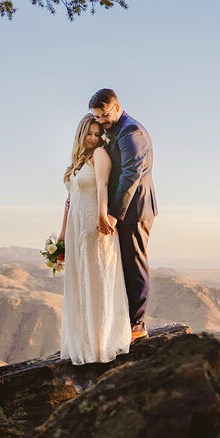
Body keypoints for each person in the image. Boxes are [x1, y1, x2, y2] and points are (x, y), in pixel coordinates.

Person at [56, 115, 130, 364]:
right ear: (81, 133)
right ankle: (83, 343)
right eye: (89, 133)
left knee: (96, 282)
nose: (94, 138)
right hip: (77, 229)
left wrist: (102, 216)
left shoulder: (100, 155)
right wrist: (62, 236)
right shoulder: (76, 164)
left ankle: (99, 347)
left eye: (98, 134)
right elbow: (69, 202)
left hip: (94, 226)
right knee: (79, 282)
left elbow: (103, 185)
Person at [89, 88, 157, 341]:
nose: (101, 120)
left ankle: (137, 326)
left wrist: (114, 214)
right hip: (120, 209)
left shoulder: (132, 132)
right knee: (122, 265)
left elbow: (130, 176)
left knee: (134, 264)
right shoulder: (110, 130)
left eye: (104, 115)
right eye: (96, 116)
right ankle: (124, 322)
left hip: (135, 210)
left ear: (117, 107)